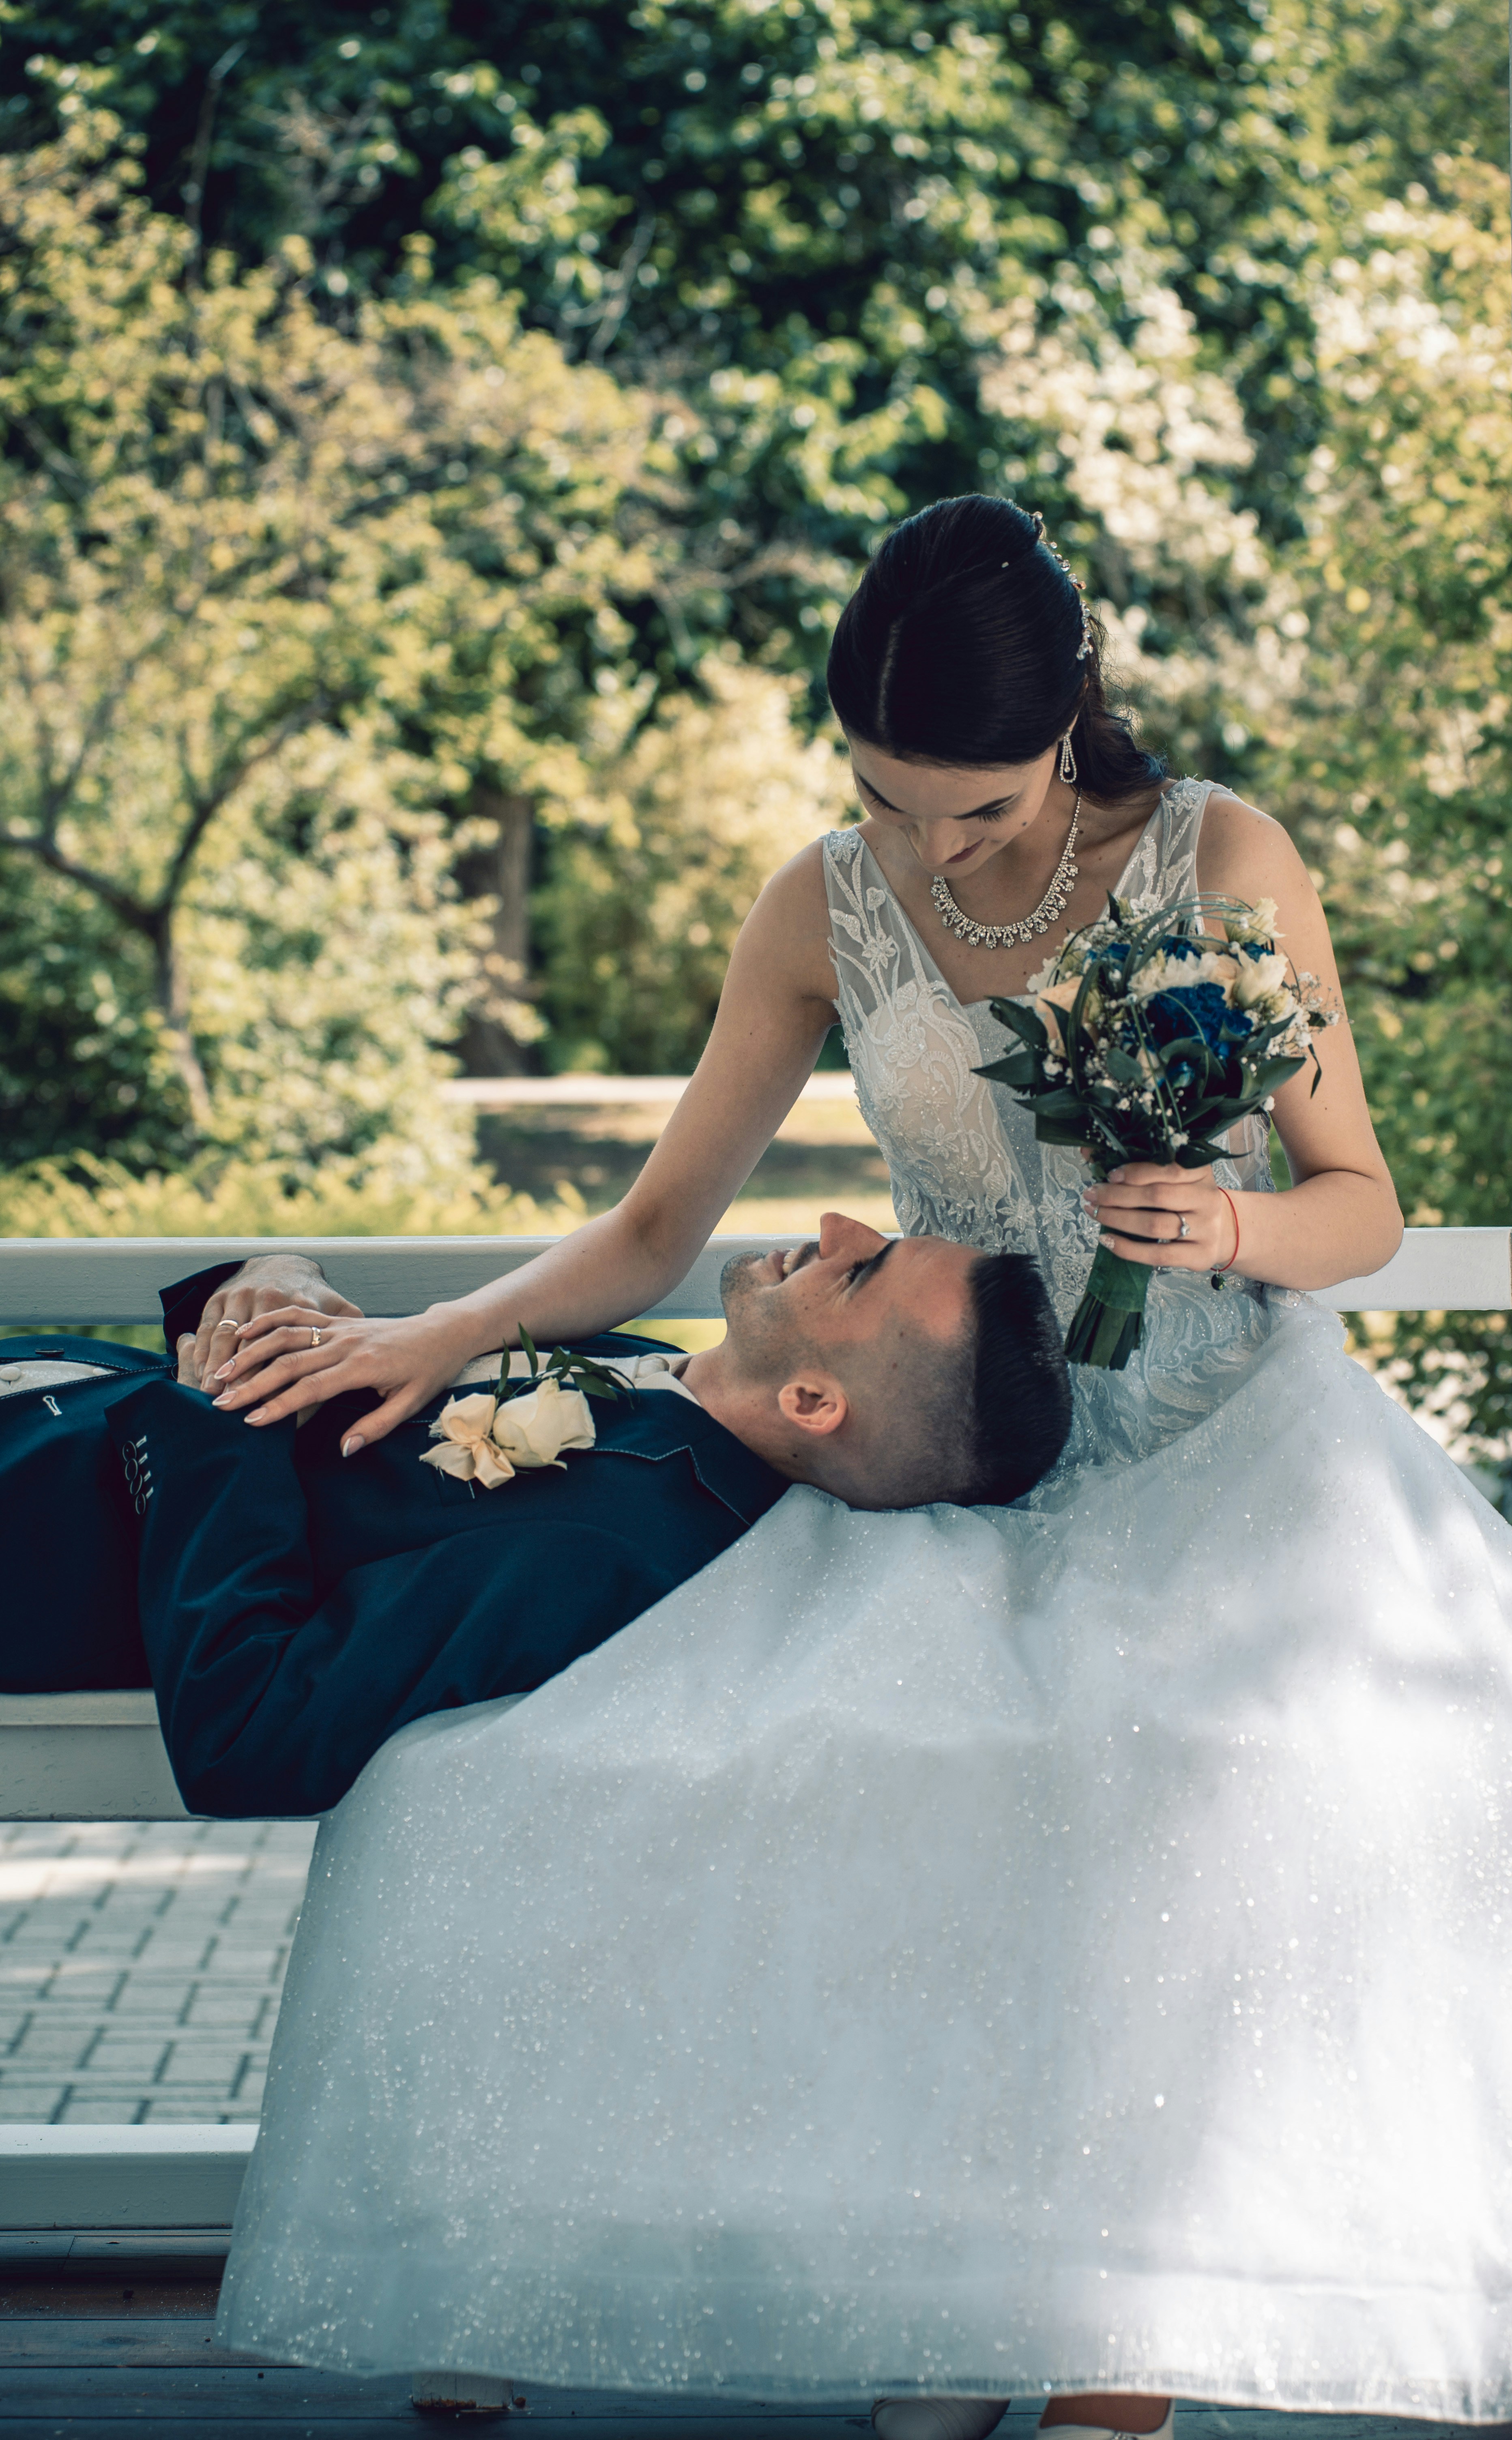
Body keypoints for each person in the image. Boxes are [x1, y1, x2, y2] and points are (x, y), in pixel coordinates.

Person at [213, 500, 1512, 2434]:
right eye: (882, 798)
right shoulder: (815, 906)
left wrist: (1229, 1225)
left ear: (1067, 721)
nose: (928, 848)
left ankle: (1102, 2348)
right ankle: (860, 2301)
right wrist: (439, 1334)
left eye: (973, 808)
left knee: (1176, 1778)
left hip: (1213, 1441)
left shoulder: (1218, 858)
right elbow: (655, 1229)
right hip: (938, 1459)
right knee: (567, 1759)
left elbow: (1362, 1206)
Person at [0, 1218, 1072, 1814]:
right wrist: (282, 1274)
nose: (839, 1228)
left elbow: (251, 1736)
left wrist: (213, 1424)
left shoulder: (606, 1550)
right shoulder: (654, 1382)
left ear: (811, 1403)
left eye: (865, 1270)